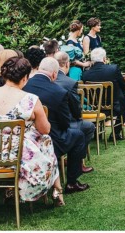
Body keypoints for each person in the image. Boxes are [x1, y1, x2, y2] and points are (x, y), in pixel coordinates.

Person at [0, 56, 64, 205]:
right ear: (25, 77)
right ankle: (57, 190)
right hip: (18, 157)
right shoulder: (31, 99)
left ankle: (12, 190)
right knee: (46, 140)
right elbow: (45, 129)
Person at [24, 57, 90, 194]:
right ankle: (72, 182)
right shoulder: (59, 92)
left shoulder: (24, 86)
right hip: (50, 140)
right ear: (54, 73)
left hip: (25, 140)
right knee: (78, 135)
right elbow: (65, 123)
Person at [54, 51, 96, 161]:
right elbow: (76, 108)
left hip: (49, 123)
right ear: (67, 64)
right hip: (66, 123)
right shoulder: (70, 82)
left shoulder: (46, 80)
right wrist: (78, 117)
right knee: (89, 127)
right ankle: (76, 161)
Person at [81, 47, 125, 141]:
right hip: (114, 107)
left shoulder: (85, 74)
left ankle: (96, 132)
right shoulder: (113, 69)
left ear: (92, 60)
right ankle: (115, 133)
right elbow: (123, 84)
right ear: (104, 58)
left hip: (95, 107)